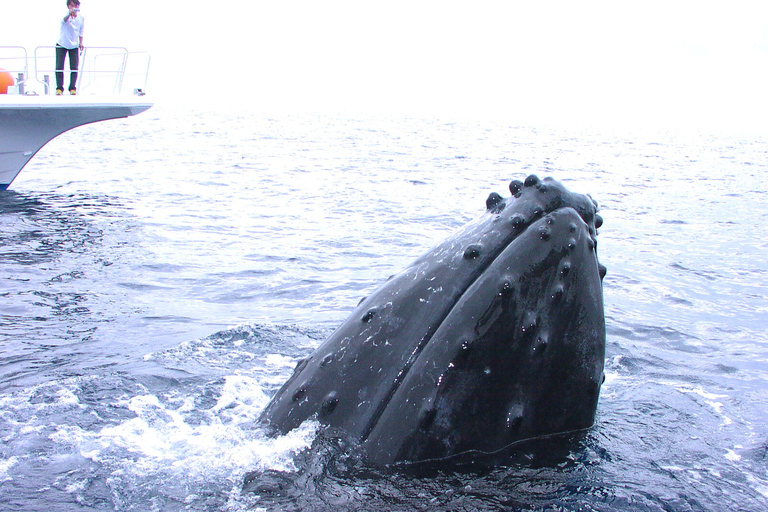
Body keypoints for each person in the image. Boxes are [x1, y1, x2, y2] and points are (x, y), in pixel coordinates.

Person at [55, 0, 85, 95]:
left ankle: (72, 88)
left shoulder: (81, 18)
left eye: (74, 5)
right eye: (71, 5)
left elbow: (81, 31)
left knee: (74, 67)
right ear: (68, 6)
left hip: (74, 45)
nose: (73, 7)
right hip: (62, 44)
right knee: (59, 67)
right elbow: (64, 20)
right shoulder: (64, 15)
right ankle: (59, 88)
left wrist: (81, 43)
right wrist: (69, 14)